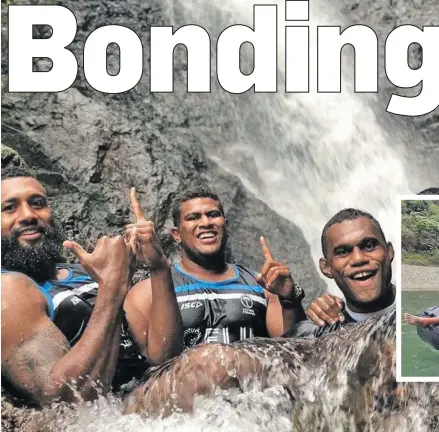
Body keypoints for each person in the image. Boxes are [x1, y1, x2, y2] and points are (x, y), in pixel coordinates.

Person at [1, 145, 183, 408]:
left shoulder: (82, 272)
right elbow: (65, 402)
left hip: (147, 400)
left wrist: (159, 268)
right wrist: (112, 286)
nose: (28, 215)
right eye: (9, 207)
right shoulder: (7, 289)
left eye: (37, 203)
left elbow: (164, 356)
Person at [125, 185, 307, 349]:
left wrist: (289, 300)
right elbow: (151, 367)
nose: (205, 223)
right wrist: (157, 267)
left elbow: (290, 352)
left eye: (213, 214)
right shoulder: (146, 294)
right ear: (176, 234)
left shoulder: (263, 286)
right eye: (193, 217)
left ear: (226, 226)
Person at [286, 208, 396, 338]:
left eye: (369, 245)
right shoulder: (313, 334)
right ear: (326, 267)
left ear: (389, 252)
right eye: (343, 252)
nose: (358, 259)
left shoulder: (419, 310)